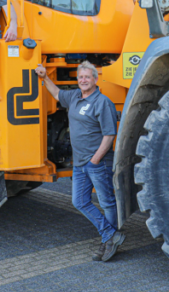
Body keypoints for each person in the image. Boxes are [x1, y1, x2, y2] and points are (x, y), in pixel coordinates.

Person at [34, 61, 126, 262]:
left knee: (107, 202)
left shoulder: (103, 102)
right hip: (80, 164)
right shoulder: (75, 96)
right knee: (79, 201)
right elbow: (57, 94)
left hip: (97, 163)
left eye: (87, 77)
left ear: (95, 79)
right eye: (80, 77)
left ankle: (108, 242)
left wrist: (94, 160)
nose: (83, 80)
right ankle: (111, 235)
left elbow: (110, 135)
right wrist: (44, 77)